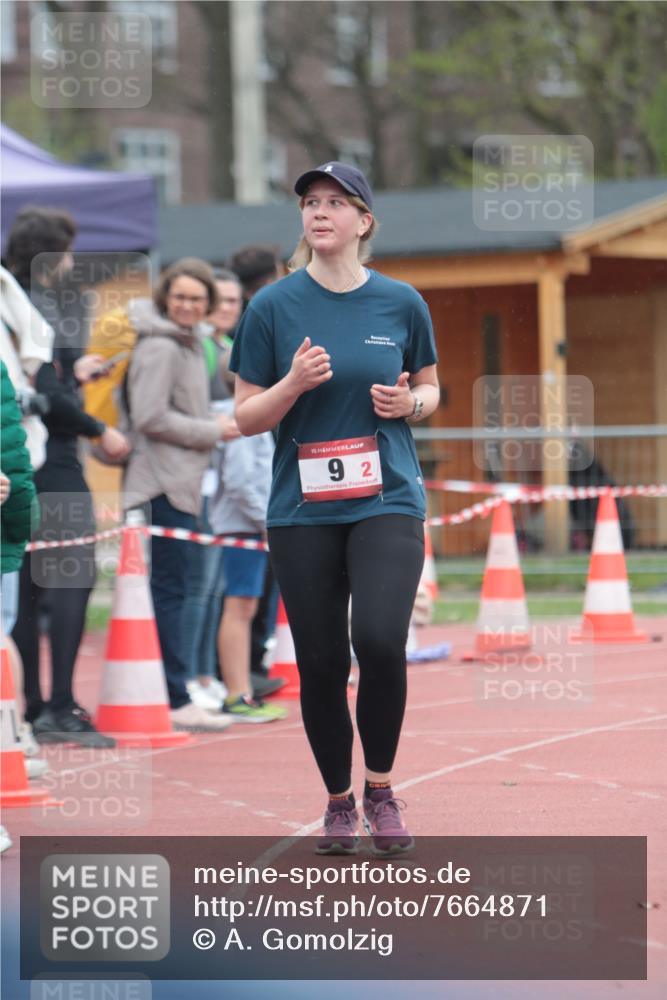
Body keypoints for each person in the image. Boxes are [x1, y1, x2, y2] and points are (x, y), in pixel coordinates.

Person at [230, 162, 440, 855]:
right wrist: (291, 382)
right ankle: (337, 802)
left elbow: (434, 389)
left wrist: (410, 404)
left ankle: (380, 789)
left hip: (386, 497)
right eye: (309, 203)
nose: (318, 213)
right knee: (319, 663)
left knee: (379, 641)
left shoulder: (400, 302)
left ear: (363, 220)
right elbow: (246, 416)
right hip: (303, 509)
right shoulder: (272, 308)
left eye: (334, 203)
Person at [5, 207, 129, 748]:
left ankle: (33, 707)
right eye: (70, 252)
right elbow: (46, 397)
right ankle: (57, 706)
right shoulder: (36, 304)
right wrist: (99, 428)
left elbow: (45, 379)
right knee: (68, 581)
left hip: (27, 457)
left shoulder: (20, 303)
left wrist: (74, 371)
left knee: (29, 585)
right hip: (50, 460)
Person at [123, 257, 236, 733]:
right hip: (163, 483)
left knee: (187, 589)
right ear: (165, 299)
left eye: (197, 298)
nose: (188, 305)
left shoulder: (192, 344)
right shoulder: (162, 347)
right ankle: (174, 693)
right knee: (173, 591)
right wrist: (211, 429)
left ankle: (181, 686)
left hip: (185, 481)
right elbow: (149, 416)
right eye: (180, 297)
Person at [208, 399, 286, 723]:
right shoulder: (244, 416)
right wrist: (265, 518)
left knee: (245, 607)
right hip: (242, 526)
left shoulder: (252, 415)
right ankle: (236, 694)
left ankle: (241, 692)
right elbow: (239, 481)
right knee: (239, 608)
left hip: (247, 524)